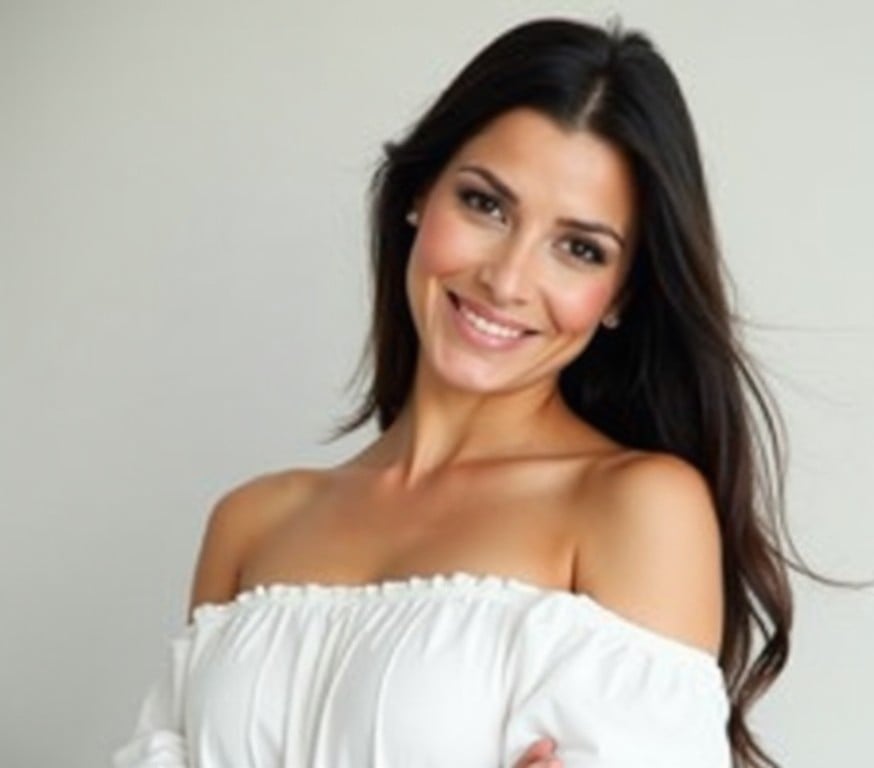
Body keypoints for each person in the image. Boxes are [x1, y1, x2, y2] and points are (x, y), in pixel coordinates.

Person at [113, 15, 805, 768]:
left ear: (619, 294)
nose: (507, 280)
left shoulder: (637, 508)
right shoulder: (250, 523)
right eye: (485, 204)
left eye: (579, 249)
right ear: (419, 194)